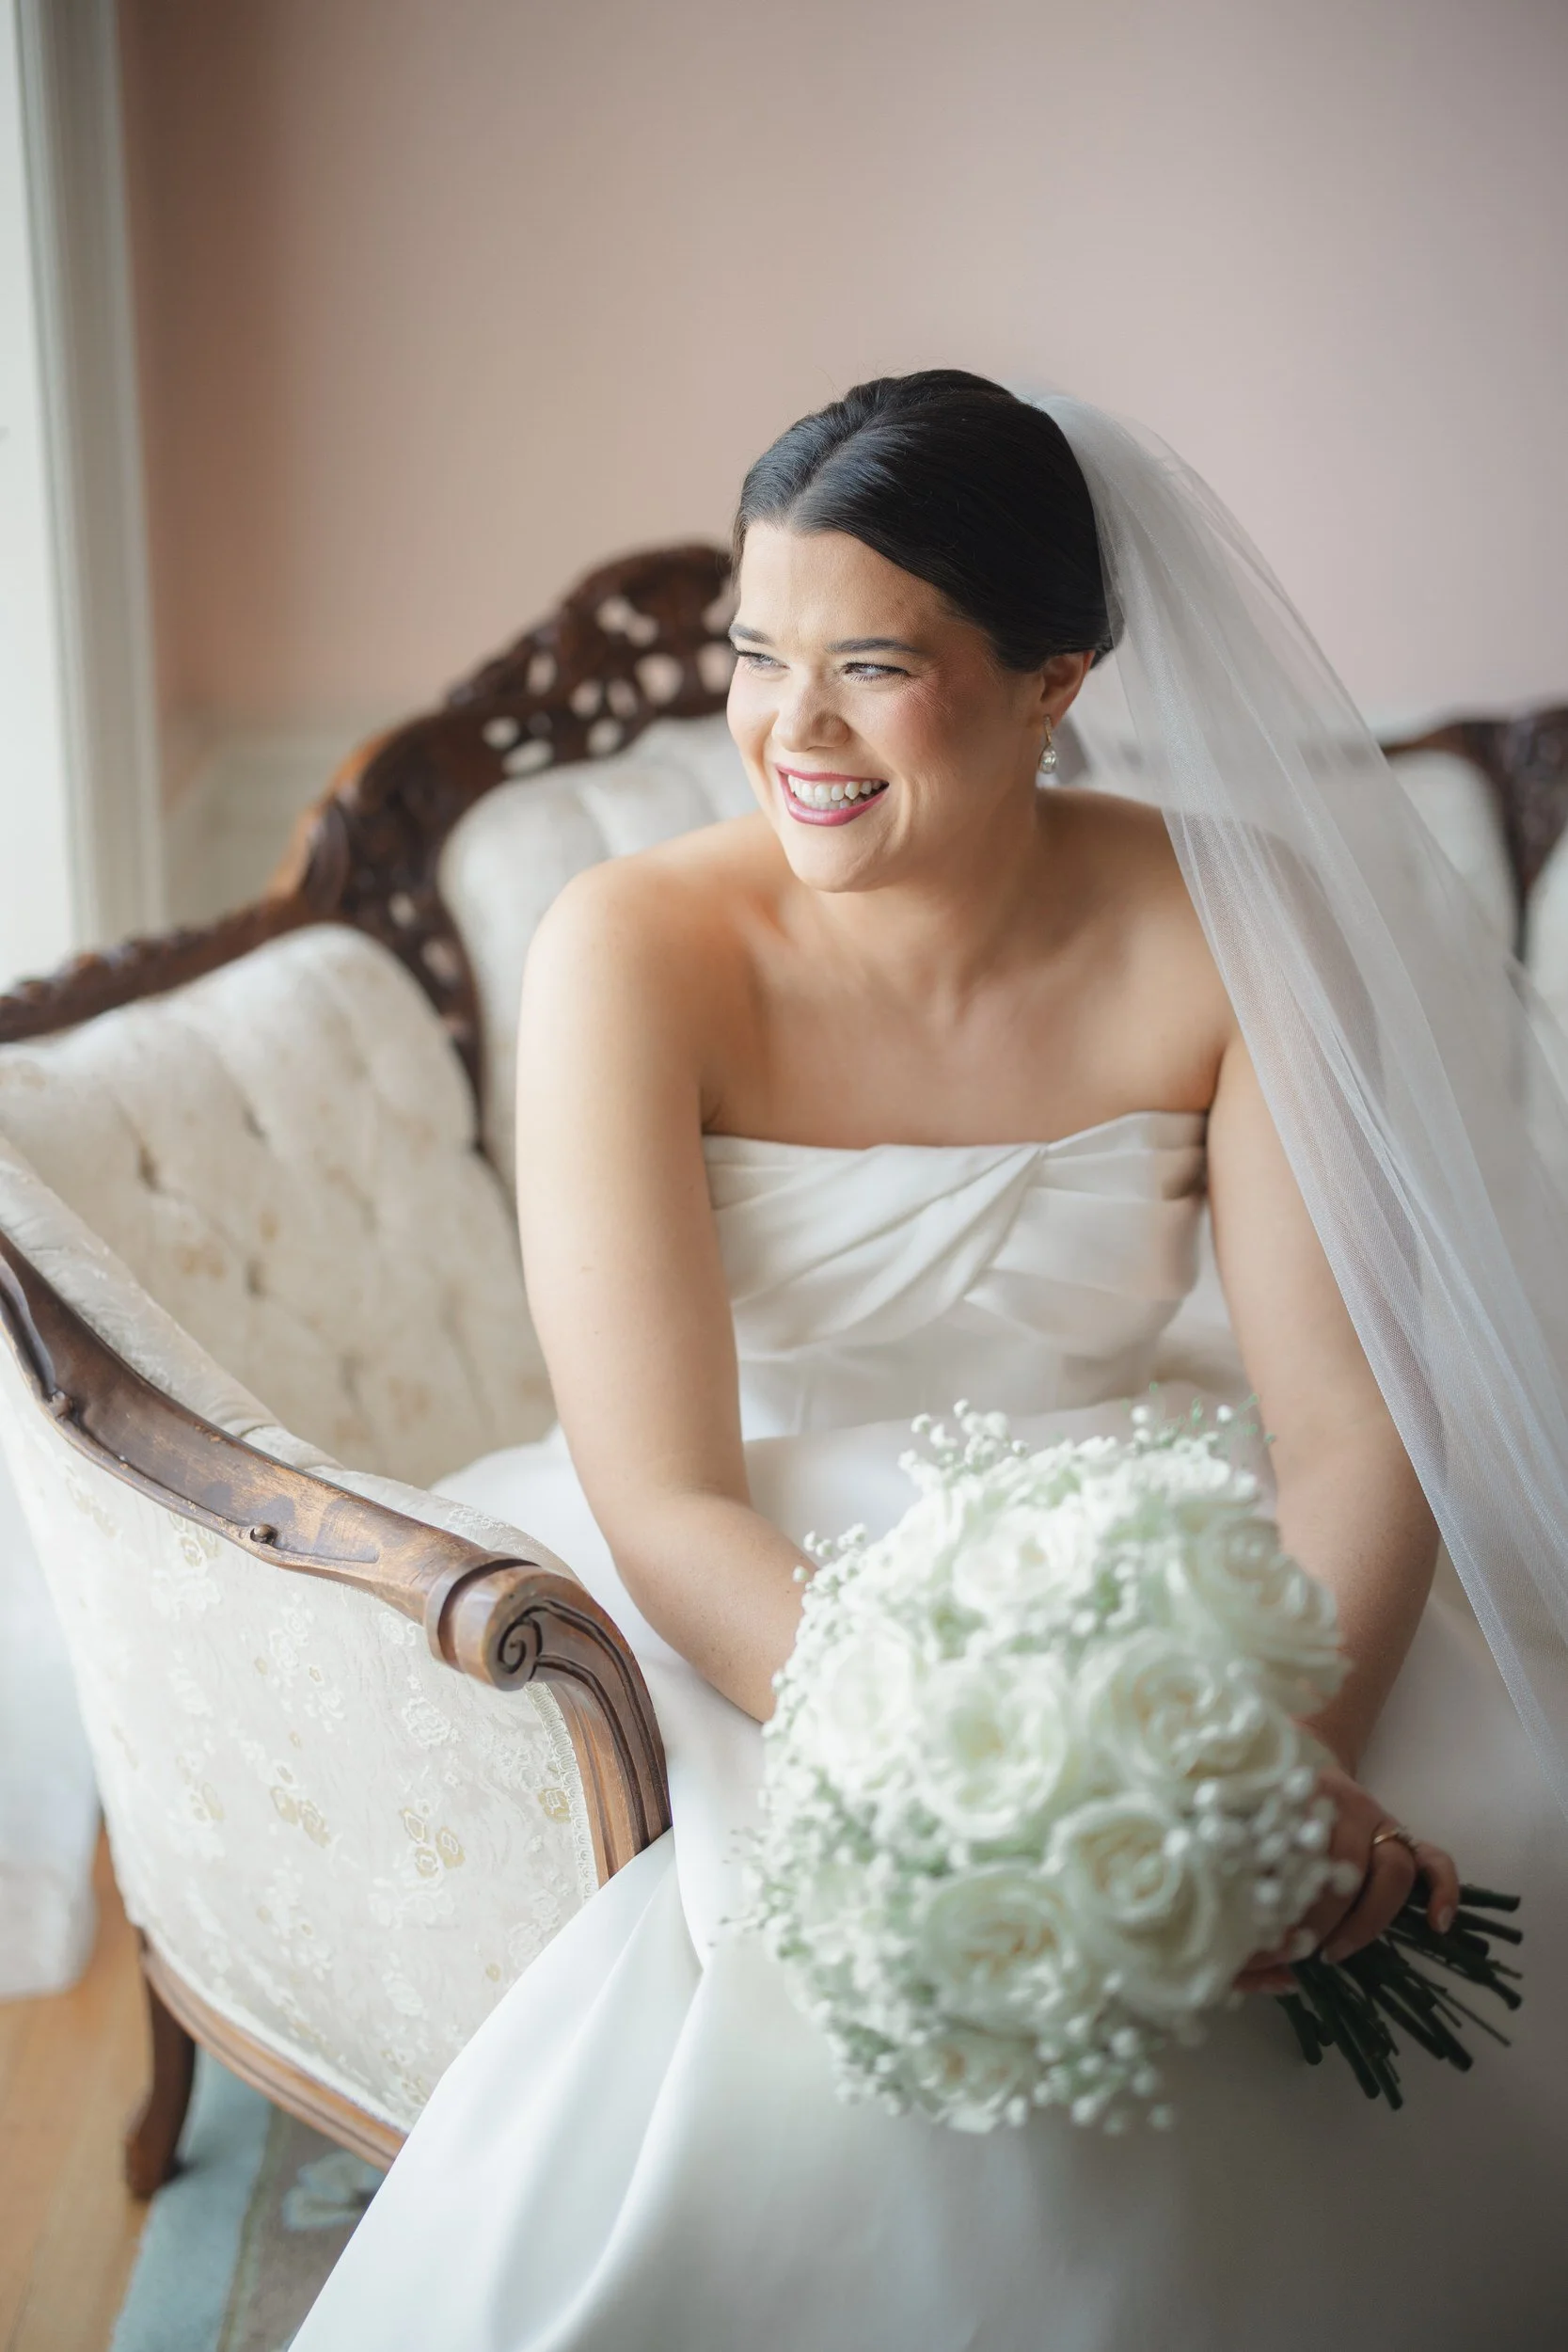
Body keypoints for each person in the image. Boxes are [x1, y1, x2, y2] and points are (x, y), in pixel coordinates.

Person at [293, 373, 1568, 2350]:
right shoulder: (628, 947)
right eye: (755, 653)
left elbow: (1345, 1422)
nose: (787, 730)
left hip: (1158, 1534)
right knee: (814, 1996)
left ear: (1054, 678)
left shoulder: (1233, 918)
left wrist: (1262, 1773)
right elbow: (664, 1493)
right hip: (756, 1586)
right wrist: (958, 1766)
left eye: (870, 668)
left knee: (1480, 1832)